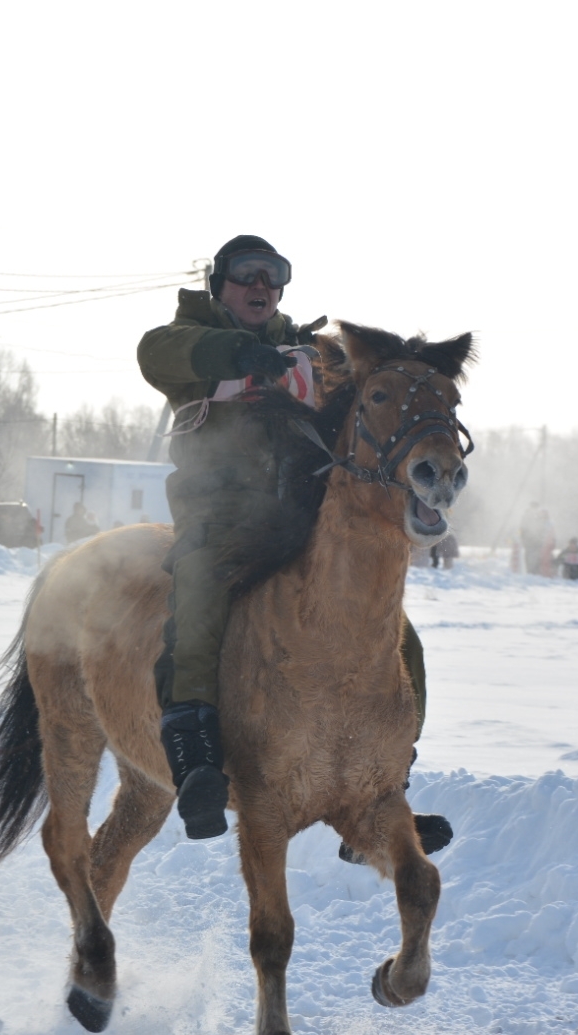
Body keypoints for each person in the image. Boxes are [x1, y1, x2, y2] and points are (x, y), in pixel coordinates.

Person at [138, 236, 449, 855]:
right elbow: (162, 354)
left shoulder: (313, 353)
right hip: (220, 519)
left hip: (302, 522)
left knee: (397, 634)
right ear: (218, 284)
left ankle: (386, 788)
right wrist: (246, 355)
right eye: (246, 274)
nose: (261, 286)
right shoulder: (181, 342)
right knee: (198, 603)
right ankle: (197, 764)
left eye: (273, 275)